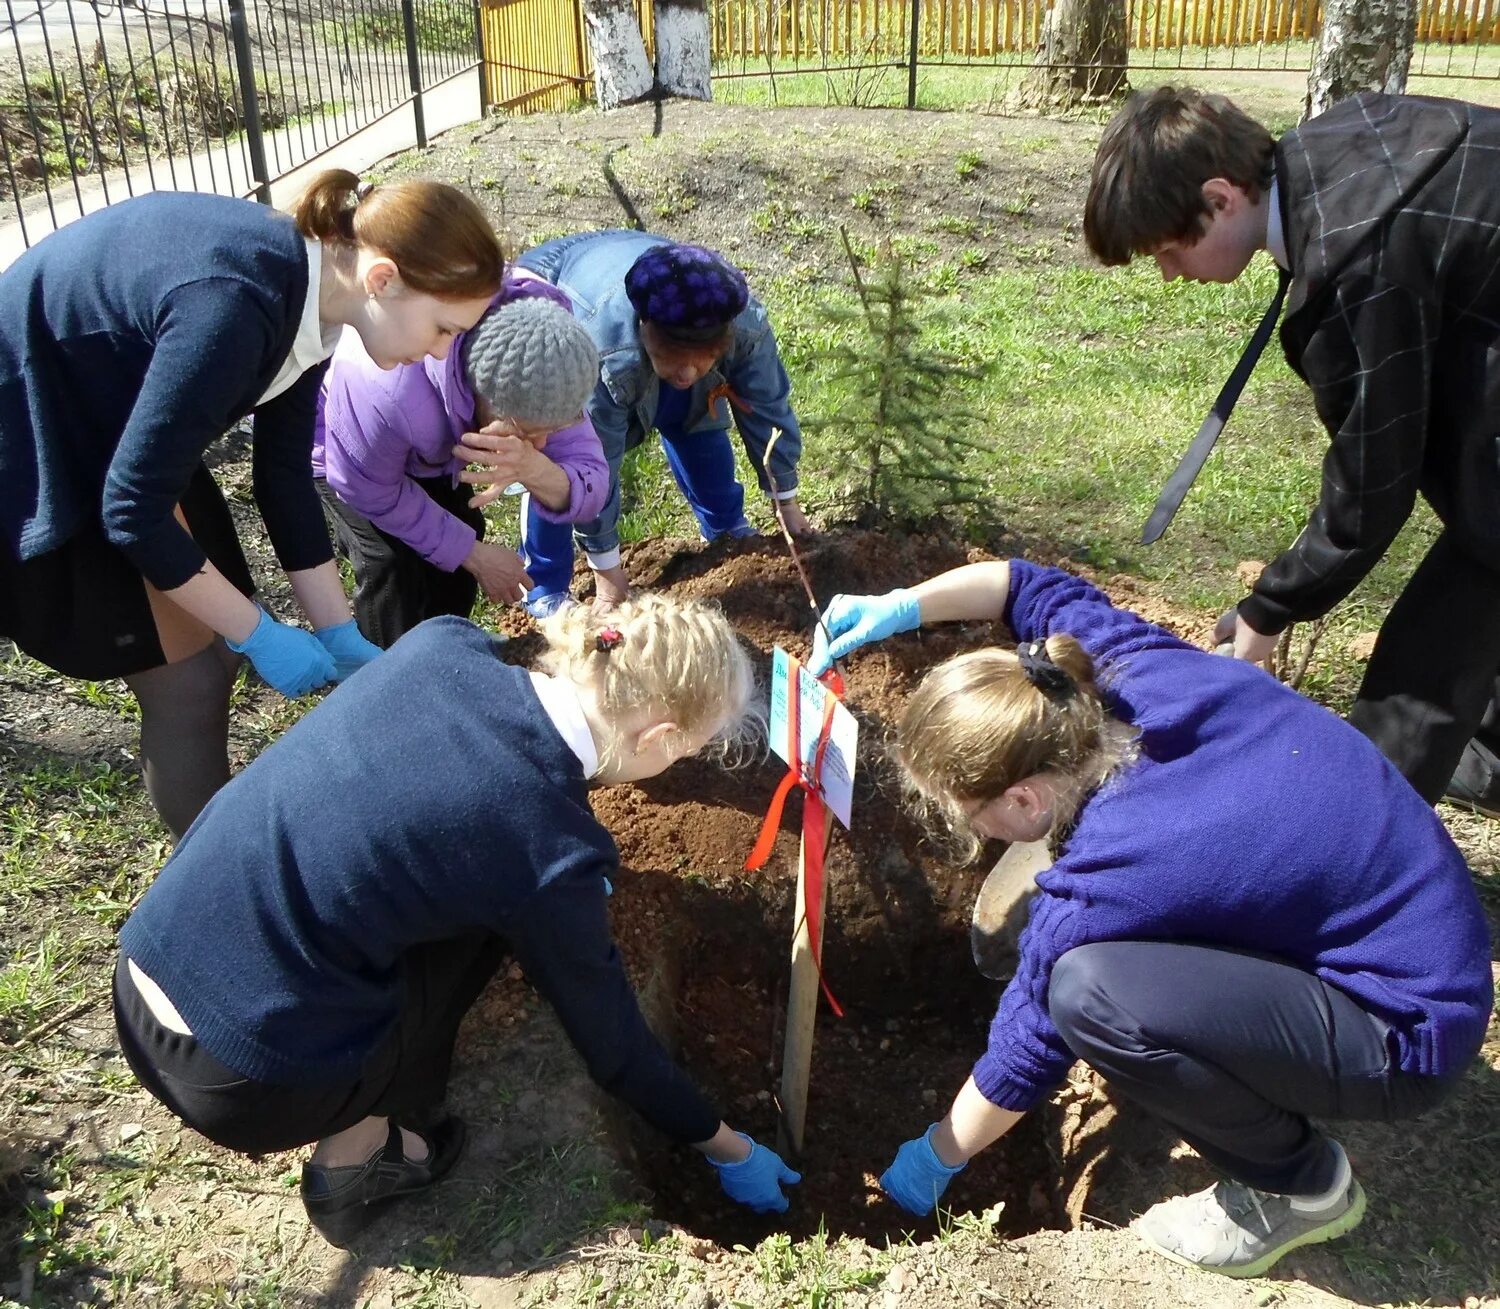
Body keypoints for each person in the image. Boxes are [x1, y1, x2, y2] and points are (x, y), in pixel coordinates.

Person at [809, 560, 1491, 1278]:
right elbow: (1021, 583)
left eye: (967, 812)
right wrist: (901, 604)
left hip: (1407, 1026)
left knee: (1088, 993)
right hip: (1414, 916)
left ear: (1022, 802)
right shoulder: (1113, 664)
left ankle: (1302, 1188)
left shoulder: (1108, 876)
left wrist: (935, 1156)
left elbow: (1027, 1043)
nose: (966, 828)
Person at [112, 594, 801, 1245]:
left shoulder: (446, 644)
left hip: (146, 965)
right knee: (480, 939)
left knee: (461, 905)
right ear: (657, 734)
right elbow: (617, 1049)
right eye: (688, 749)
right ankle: (359, 1157)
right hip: (240, 1078)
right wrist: (728, 1146)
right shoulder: (547, 847)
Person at [0, 170, 504, 837]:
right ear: (383, 279)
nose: (441, 353)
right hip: (40, 435)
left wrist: (337, 632)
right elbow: (130, 511)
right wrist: (259, 630)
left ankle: (224, 856)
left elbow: (284, 474)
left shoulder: (316, 295)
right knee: (191, 682)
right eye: (443, 330)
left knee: (215, 652)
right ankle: (214, 892)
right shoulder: (238, 306)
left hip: (115, 427)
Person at [1083, 86, 1500, 818]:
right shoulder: (1336, 145)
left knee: (1430, 653)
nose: (1171, 274)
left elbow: (1374, 480)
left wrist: (1270, 608)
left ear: (1219, 197)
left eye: (1170, 250)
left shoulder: (1358, 257)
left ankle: (1360, 839)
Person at [500, 230, 814, 617]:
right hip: (558, 287)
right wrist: (608, 576)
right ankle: (544, 585)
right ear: (646, 326)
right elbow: (596, 463)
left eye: (702, 358)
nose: (687, 372)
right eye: (674, 356)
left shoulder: (742, 325)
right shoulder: (602, 352)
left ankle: (727, 529)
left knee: (696, 410)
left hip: (635, 270)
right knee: (558, 459)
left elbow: (768, 410)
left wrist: (788, 505)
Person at [316, 281, 609, 646]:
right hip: (343, 440)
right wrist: (473, 555)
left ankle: (444, 658)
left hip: (434, 440)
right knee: (392, 566)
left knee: (460, 540)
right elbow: (367, 487)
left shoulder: (551, 362)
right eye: (527, 431)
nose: (542, 444)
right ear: (481, 397)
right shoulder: (389, 386)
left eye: (553, 429)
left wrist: (534, 468)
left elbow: (592, 479)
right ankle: (385, 678)